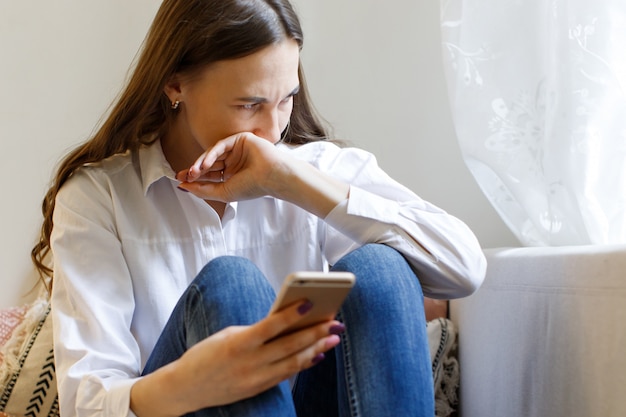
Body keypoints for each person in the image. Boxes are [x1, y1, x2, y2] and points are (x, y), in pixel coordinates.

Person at [31, 0, 486, 416]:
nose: (272, 129)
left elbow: (463, 269)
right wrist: (192, 382)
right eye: (250, 104)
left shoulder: (312, 169)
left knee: (381, 267)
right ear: (175, 84)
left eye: (286, 98)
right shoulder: (100, 197)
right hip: (181, 403)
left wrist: (288, 180)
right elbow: (87, 402)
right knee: (232, 286)